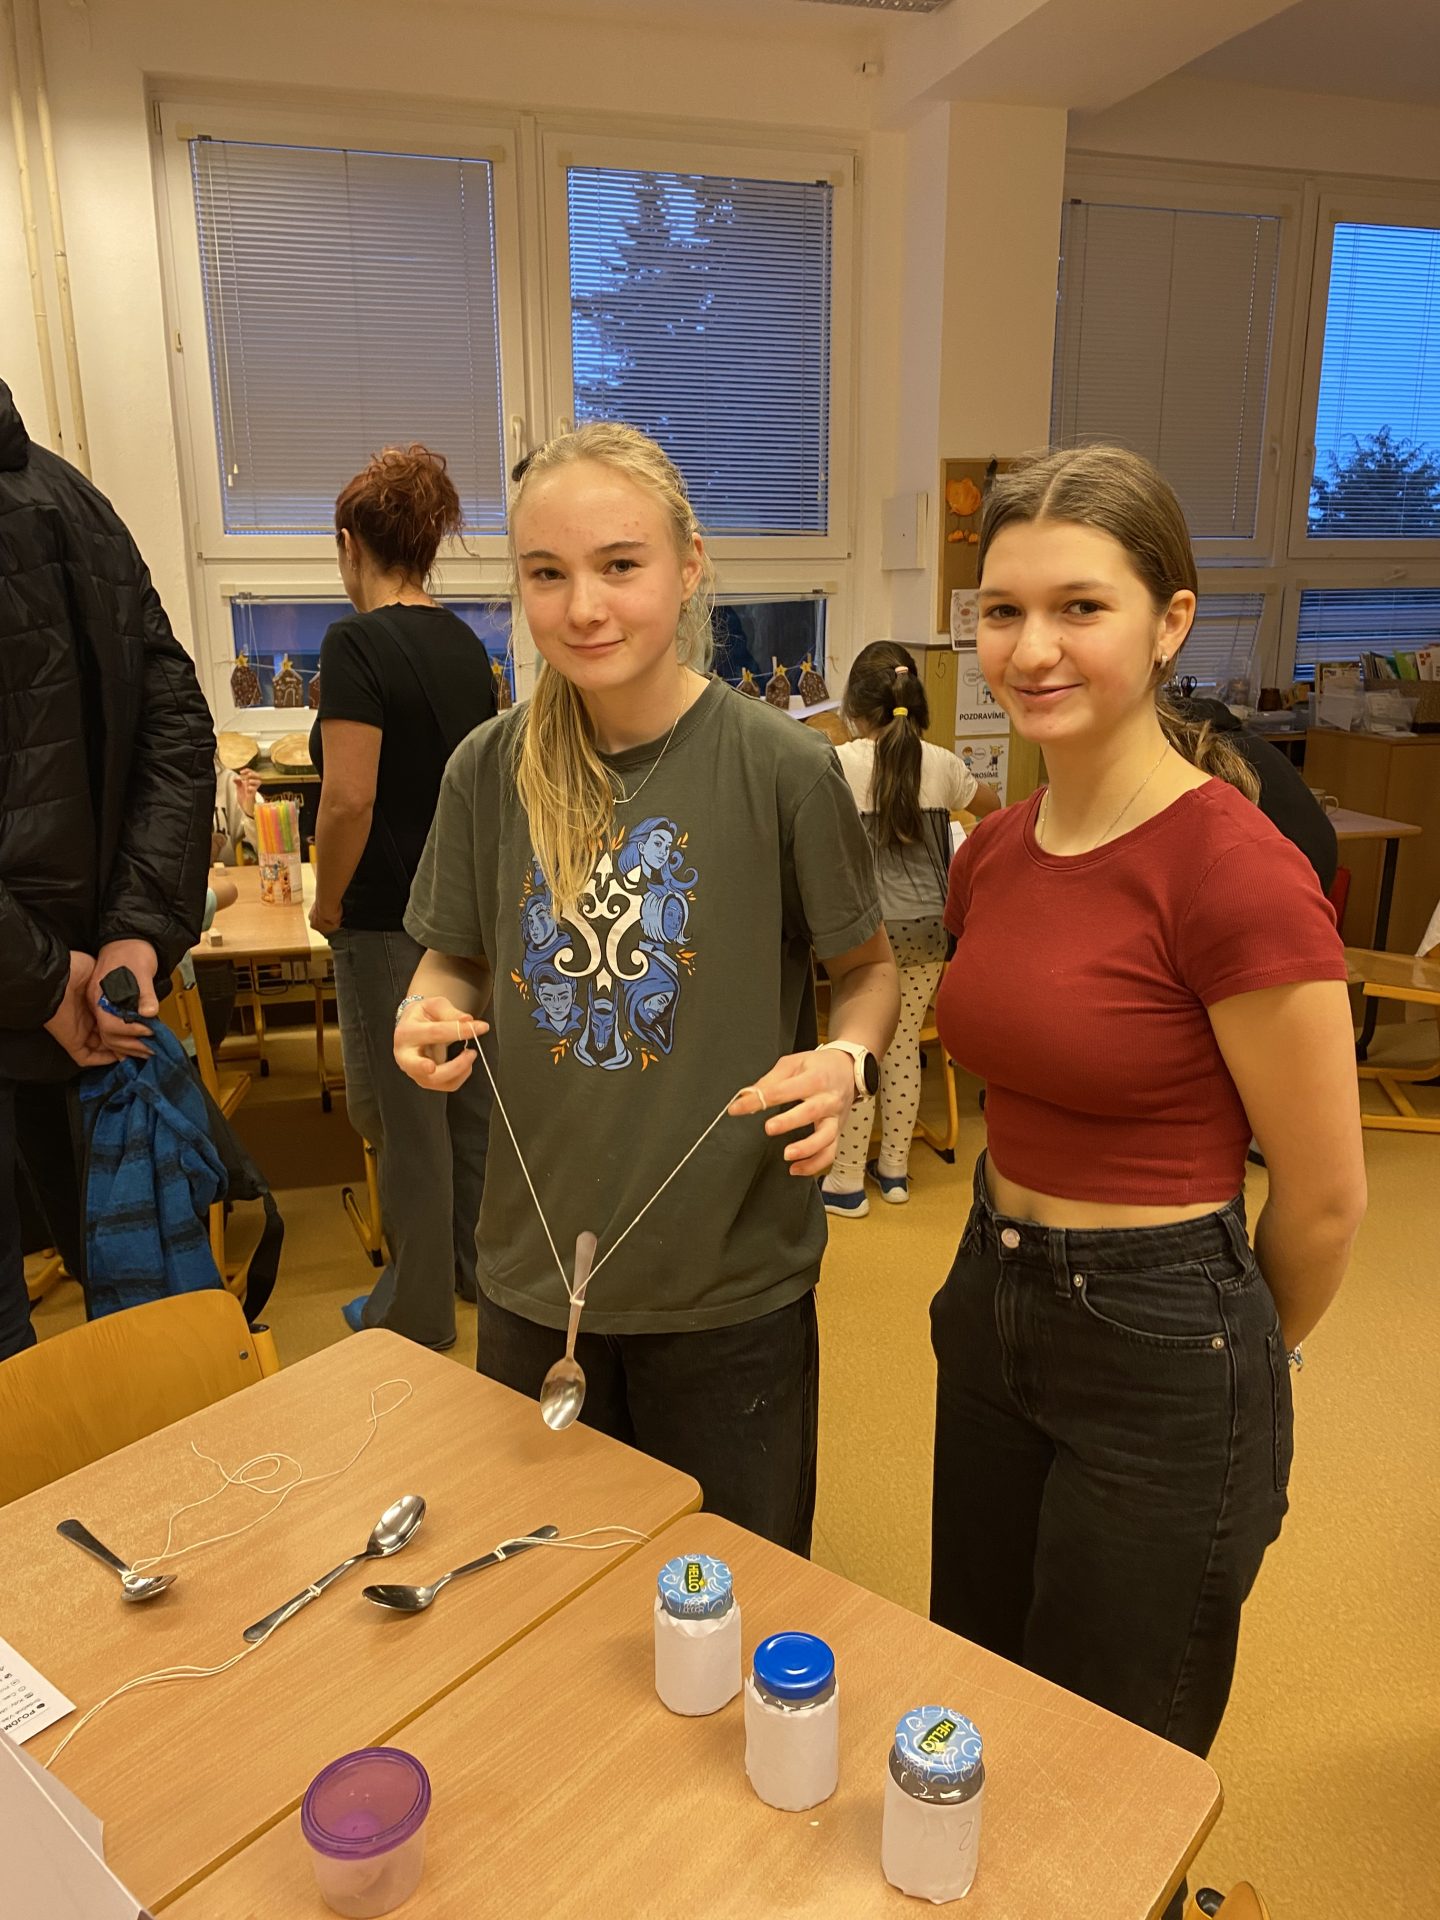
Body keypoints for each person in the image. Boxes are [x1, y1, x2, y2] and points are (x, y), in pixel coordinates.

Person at [929, 447, 1365, 1878]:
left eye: (1080, 607)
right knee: (974, 1693)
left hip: (1168, 1334)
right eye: (1003, 611)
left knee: (1105, 1768)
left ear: (1170, 622)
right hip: (988, 1299)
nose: (1032, 648)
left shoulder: (1231, 869)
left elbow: (1325, 1198)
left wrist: (1230, 1361)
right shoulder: (993, 852)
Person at [393, 422, 897, 1549]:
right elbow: (455, 952)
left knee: (722, 1585)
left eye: (620, 565)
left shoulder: (784, 768)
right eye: (547, 574)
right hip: (530, 1275)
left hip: (727, 1285)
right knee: (544, 1581)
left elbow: (866, 970)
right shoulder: (488, 768)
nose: (585, 607)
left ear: (688, 565)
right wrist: (426, 1006)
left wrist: (846, 1061)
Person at [0, 377, 216, 1358]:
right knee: (132, 1319)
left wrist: (57, 972)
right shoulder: (75, 498)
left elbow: (172, 720)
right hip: (85, 1004)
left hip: (62, 1004)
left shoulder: (69, 500)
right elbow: (179, 727)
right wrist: (132, 935)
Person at [308, 444, 498, 1352]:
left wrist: (325, 901)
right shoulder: (466, 645)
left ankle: (414, 1312)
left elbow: (348, 798)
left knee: (406, 1120)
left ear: (352, 544)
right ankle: (473, 1270)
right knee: (467, 1110)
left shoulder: (354, 643)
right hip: (463, 918)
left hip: (387, 918)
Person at [823, 641, 1000, 1216]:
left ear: (854, 706)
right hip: (928, 927)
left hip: (864, 931)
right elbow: (995, 807)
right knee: (900, 1047)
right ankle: (895, 1173)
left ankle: (845, 1182)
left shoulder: (838, 764)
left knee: (857, 1047)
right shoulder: (942, 763)